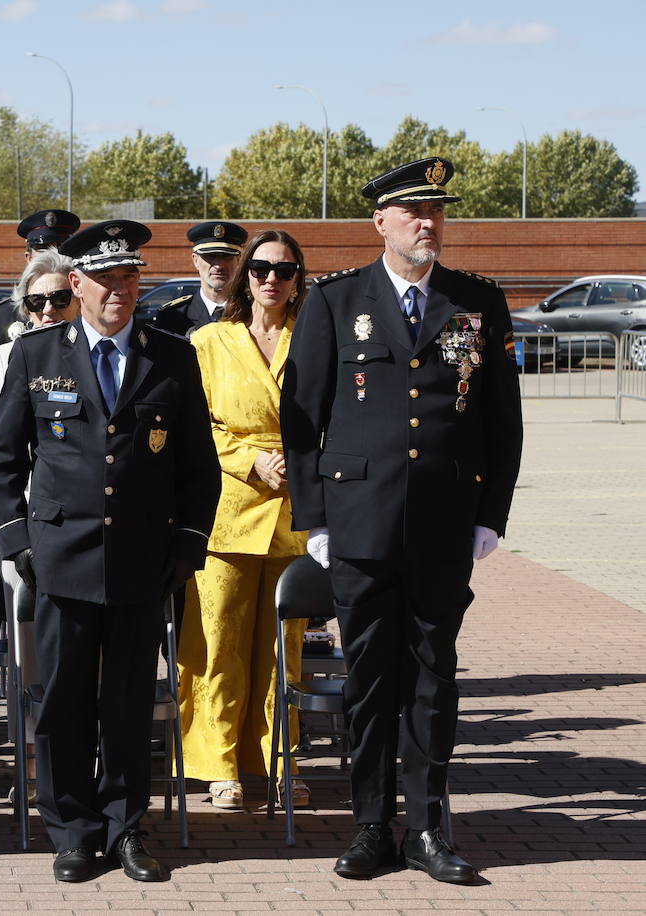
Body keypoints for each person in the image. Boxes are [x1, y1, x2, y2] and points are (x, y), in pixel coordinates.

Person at [280, 158, 523, 884]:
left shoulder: (476, 301)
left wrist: (491, 513)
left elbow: (502, 421)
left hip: (445, 522)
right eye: (414, 212)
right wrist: (314, 515)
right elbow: (303, 418)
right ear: (379, 222)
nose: (429, 223)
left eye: (437, 212)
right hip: (358, 523)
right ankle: (368, 827)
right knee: (369, 680)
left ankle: (425, 826)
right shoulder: (333, 300)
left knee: (432, 676)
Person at [0, 220, 220, 883]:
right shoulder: (36, 354)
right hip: (60, 557)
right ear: (77, 283)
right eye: (106, 278)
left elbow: (198, 467)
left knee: (126, 703)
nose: (120, 289)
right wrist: (18, 539)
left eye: (130, 277)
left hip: (144, 559)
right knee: (62, 703)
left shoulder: (171, 356)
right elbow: (4, 461)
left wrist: (187, 544)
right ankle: (72, 831)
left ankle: (124, 827)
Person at [174, 230, 310, 812]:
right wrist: (248, 459)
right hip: (228, 508)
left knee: (285, 649)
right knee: (216, 642)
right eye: (259, 269)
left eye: (283, 269)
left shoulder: (315, 336)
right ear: (243, 276)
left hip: (296, 507)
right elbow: (193, 424)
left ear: (299, 276)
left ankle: (283, 760)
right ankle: (217, 764)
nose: (270, 279)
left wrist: (301, 461)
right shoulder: (208, 341)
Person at [0, 249, 77, 800]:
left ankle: (90, 760)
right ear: (25, 310)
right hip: (27, 522)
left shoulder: (97, 355)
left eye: (61, 298)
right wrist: (42, 456)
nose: (51, 309)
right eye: (39, 302)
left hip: (87, 527)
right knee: (30, 647)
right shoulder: (8, 358)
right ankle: (36, 762)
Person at [0, 209, 80, 377]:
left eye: (59, 247)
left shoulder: (85, 303)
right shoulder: (6, 313)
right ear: (28, 257)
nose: (51, 254)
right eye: (42, 249)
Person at [154, 221, 247, 336]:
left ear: (239, 260)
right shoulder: (172, 317)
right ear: (195, 260)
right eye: (210, 256)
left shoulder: (253, 312)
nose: (218, 265)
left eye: (227, 256)